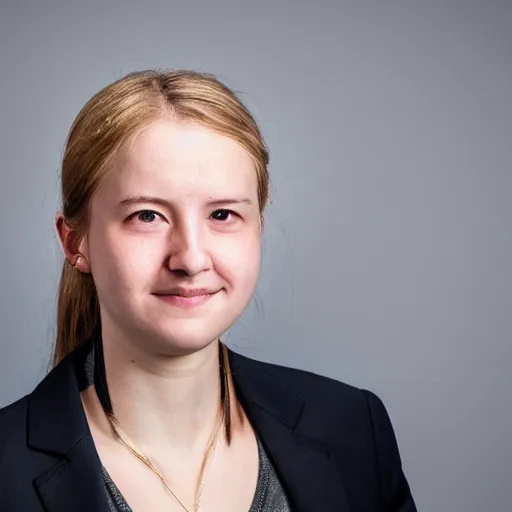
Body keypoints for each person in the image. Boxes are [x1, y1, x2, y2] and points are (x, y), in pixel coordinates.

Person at [0, 69, 417, 512]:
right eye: (147, 216)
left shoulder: (353, 427)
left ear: (259, 225)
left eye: (221, 215)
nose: (191, 259)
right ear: (74, 242)